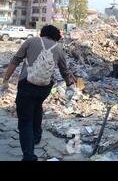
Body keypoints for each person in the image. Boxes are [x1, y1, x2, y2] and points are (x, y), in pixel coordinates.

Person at [0, 25, 75, 161]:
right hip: (44, 88)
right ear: (55, 36)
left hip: (27, 85)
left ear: (43, 33)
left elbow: (15, 60)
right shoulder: (58, 49)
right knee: (37, 106)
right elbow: (64, 71)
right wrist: (70, 85)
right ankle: (36, 135)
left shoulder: (31, 41)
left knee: (25, 122)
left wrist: (5, 80)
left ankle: (29, 156)